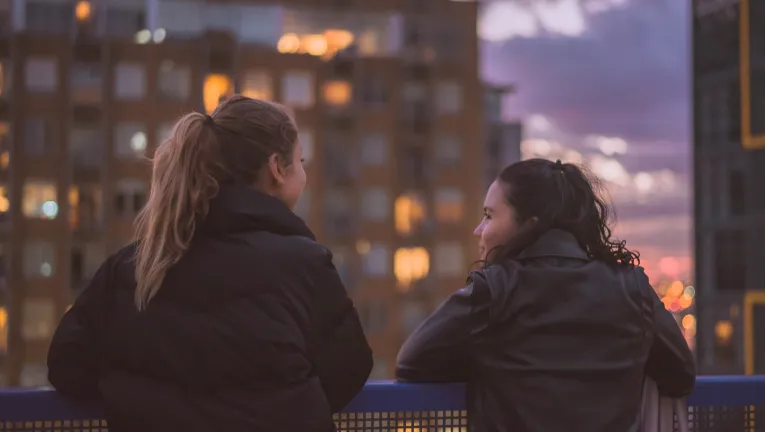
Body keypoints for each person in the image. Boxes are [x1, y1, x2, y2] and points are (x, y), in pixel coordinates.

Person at [47, 95, 373, 432]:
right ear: (276, 168)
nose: (304, 173)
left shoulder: (133, 266)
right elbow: (350, 367)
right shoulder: (305, 266)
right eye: (300, 160)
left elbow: (67, 364)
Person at [396, 159, 695, 432]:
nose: (479, 230)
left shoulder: (494, 290)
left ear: (529, 224)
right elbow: (680, 374)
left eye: (489, 216)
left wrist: (488, 364)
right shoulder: (632, 288)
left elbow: (411, 365)